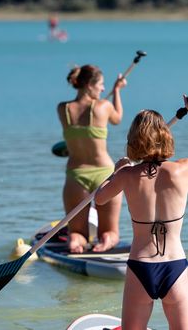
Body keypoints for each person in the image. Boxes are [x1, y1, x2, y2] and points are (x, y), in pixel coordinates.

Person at [95, 99, 188, 329]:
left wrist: (116, 172)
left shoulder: (126, 175)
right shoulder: (182, 170)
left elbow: (99, 198)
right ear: (166, 136)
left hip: (141, 266)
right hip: (174, 266)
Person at [57, 64, 127, 253]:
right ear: (90, 85)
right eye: (101, 85)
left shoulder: (63, 109)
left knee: (77, 232)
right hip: (105, 175)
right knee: (109, 231)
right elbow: (118, 118)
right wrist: (117, 91)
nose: (103, 89)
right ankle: (105, 242)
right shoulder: (104, 106)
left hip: (76, 176)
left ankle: (75, 243)